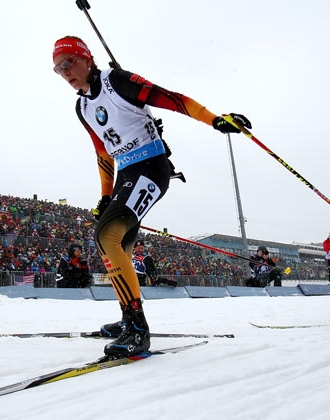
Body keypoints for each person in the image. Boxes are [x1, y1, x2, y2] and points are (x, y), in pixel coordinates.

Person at [53, 35, 251, 358]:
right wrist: (105, 196)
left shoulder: (117, 81)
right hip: (126, 173)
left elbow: (169, 98)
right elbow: (103, 152)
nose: (65, 72)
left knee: (106, 236)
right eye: (58, 68)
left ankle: (138, 331)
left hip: (151, 167)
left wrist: (214, 119)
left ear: (87, 59)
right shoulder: (82, 106)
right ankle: (127, 319)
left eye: (69, 62)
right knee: (120, 246)